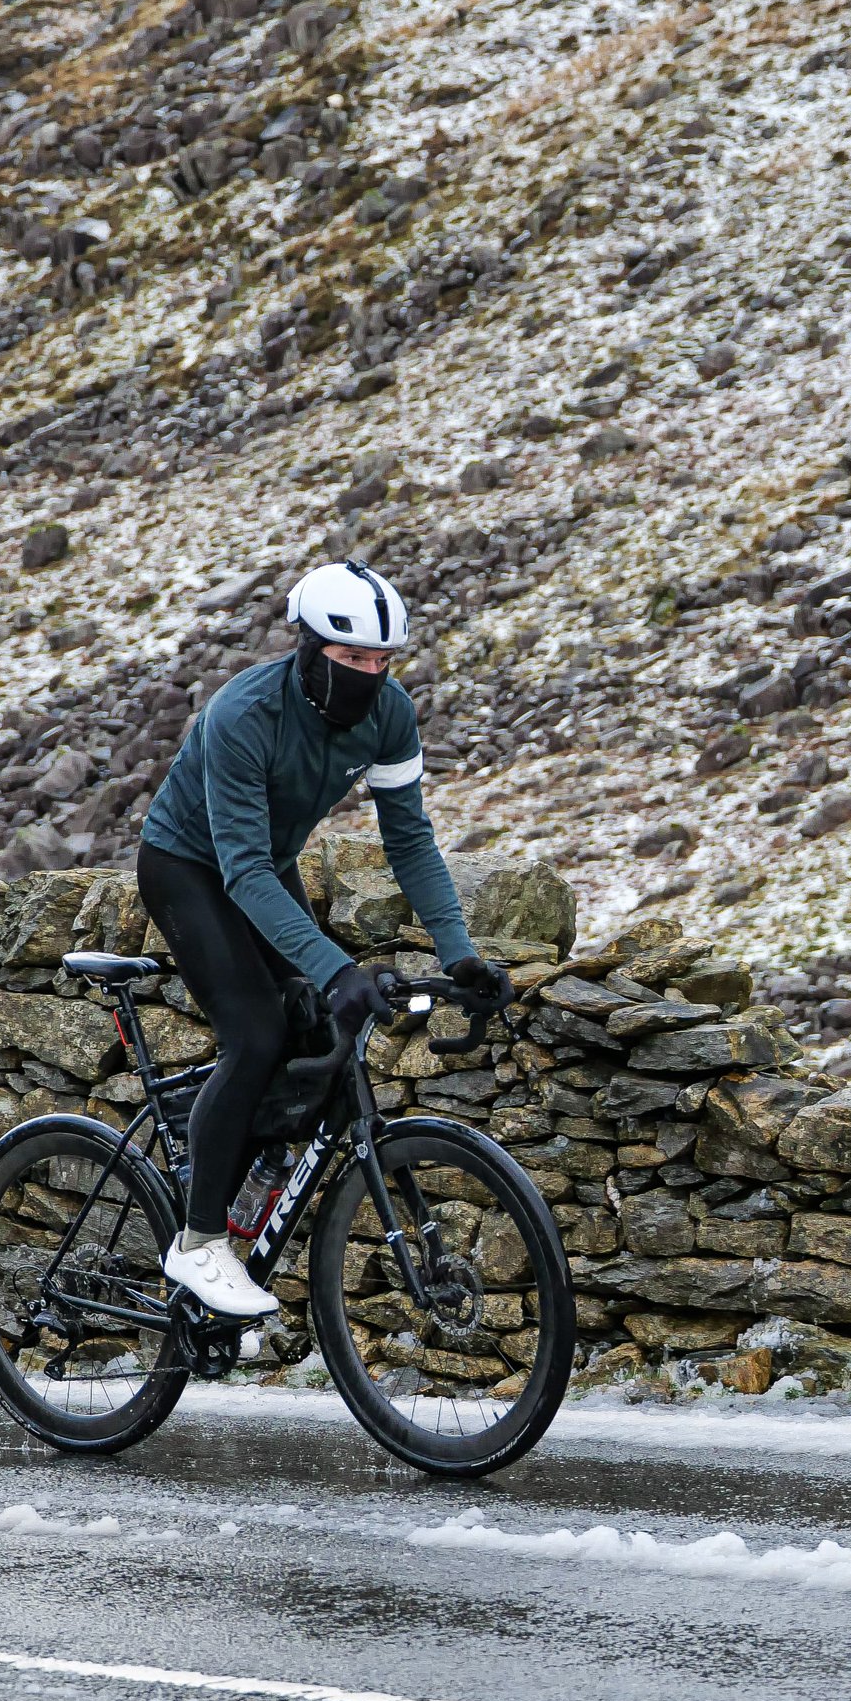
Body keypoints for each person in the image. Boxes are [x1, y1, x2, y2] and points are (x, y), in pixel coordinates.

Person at [135, 559, 508, 1318]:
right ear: (307, 647)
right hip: (188, 867)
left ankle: (235, 1230)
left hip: (264, 869)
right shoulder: (245, 714)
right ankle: (200, 1243)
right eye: (351, 660)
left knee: (312, 1028)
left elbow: (410, 842)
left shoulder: (390, 714)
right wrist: (339, 968)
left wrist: (457, 950)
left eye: (381, 661)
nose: (370, 675)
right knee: (256, 1033)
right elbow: (238, 874)